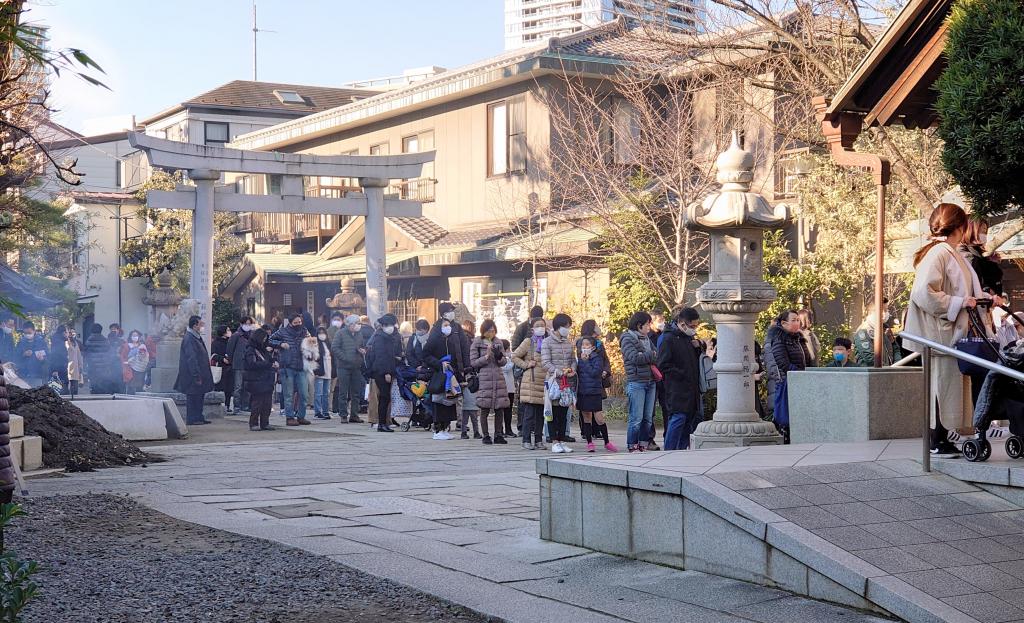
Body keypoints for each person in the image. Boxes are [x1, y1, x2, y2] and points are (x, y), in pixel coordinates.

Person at [904, 203, 989, 456]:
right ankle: (936, 438)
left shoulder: (946, 251)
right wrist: (957, 303)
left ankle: (942, 437)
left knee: (948, 384)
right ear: (961, 227)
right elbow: (923, 292)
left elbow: (962, 291)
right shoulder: (941, 253)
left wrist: (982, 298)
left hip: (949, 332)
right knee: (942, 385)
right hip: (940, 334)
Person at [657, 308, 703, 451]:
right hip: (677, 388)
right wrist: (681, 374)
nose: (694, 329)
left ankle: (682, 451)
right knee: (678, 418)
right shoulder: (668, 338)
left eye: (696, 326)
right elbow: (663, 364)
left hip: (691, 387)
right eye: (692, 326)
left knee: (688, 421)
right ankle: (669, 451)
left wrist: (698, 347)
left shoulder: (688, 338)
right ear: (682, 323)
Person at [768, 309, 813, 443]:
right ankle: (786, 441)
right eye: (793, 320)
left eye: (798, 320)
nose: (797, 323)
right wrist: (798, 373)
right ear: (784, 323)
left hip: (800, 380)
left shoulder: (799, 338)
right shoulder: (779, 338)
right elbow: (782, 363)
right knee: (785, 415)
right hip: (787, 381)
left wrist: (807, 373)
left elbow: (808, 359)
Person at [620, 311, 657, 453]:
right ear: (639, 325)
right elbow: (634, 358)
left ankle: (643, 443)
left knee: (648, 418)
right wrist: (649, 355)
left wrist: (647, 355)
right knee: (636, 418)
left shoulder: (647, 339)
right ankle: (632, 444)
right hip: (636, 382)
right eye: (647, 324)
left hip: (650, 381)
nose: (649, 327)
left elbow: (657, 354)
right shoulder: (627, 338)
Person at [424, 317, 466, 440]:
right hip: (438, 374)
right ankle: (437, 429)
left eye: (449, 325)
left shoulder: (451, 340)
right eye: (445, 325)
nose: (448, 327)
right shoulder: (434, 340)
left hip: (450, 375)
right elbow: (425, 355)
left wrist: (459, 375)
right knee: (439, 401)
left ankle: (445, 427)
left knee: (449, 401)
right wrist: (438, 363)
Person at [471, 319, 510, 445]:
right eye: (489, 331)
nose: (491, 333)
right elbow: (473, 362)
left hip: (498, 377)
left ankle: (498, 434)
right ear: (484, 331)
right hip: (485, 377)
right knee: (485, 407)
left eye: (493, 330)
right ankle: (486, 435)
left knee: (500, 407)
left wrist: (499, 356)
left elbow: (504, 362)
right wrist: (486, 357)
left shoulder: (498, 342)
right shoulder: (477, 343)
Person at [512, 317, 549, 450]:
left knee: (541, 414)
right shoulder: (528, 342)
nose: (541, 328)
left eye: (542, 325)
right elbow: (514, 356)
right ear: (532, 329)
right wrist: (526, 365)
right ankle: (526, 439)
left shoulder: (548, 342)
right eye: (537, 325)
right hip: (531, 381)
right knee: (529, 413)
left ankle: (538, 440)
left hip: (543, 381)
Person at [541, 313, 576, 453]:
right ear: (559, 326)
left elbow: (573, 359)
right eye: (566, 327)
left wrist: (572, 369)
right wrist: (558, 371)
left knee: (564, 411)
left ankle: (562, 440)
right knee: (552, 411)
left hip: (566, 382)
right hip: (553, 381)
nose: (568, 329)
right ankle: (554, 440)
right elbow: (545, 363)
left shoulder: (568, 342)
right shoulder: (547, 342)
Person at [270, 313, 312, 426]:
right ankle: (289, 417)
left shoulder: (304, 331)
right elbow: (269, 340)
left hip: (301, 366)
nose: (298, 324)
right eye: (296, 323)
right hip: (287, 366)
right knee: (288, 394)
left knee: (304, 393)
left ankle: (301, 416)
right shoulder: (283, 331)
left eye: (300, 322)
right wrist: (280, 344)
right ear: (290, 323)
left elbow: (311, 342)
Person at [576, 336, 615, 452]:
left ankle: (607, 442)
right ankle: (589, 442)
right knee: (586, 417)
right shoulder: (578, 359)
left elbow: (595, 372)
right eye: (583, 345)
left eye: (587, 345)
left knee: (599, 418)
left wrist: (586, 361)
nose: (584, 347)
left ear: (592, 347)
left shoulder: (597, 358)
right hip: (583, 392)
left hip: (594, 392)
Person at [365, 313, 402, 433]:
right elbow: (381, 357)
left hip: (387, 370)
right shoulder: (380, 338)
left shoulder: (387, 337)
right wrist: (386, 372)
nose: (391, 327)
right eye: (388, 325)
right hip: (381, 371)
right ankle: (381, 423)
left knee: (385, 397)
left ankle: (384, 422)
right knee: (384, 396)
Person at [174, 315, 214, 426]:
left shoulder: (196, 337)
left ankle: (199, 416)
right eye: (201, 324)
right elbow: (191, 358)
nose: (202, 326)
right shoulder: (189, 338)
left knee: (199, 395)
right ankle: (192, 418)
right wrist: (196, 374)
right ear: (195, 325)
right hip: (192, 374)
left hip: (200, 372)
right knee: (192, 397)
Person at [331, 314, 366, 423]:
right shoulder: (340, 333)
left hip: (356, 366)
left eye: (359, 323)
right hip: (343, 367)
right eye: (357, 323)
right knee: (343, 391)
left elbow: (361, 345)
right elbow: (334, 348)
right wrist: (344, 358)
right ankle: (343, 415)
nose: (358, 326)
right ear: (350, 325)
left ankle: (354, 415)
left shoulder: (359, 334)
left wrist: (362, 351)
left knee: (356, 392)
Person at [243, 328, 278, 431]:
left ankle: (265, 422)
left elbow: (269, 359)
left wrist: (274, 361)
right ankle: (253, 423)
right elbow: (251, 364)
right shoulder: (250, 349)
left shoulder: (263, 349)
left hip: (266, 379)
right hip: (256, 379)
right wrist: (268, 364)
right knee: (257, 402)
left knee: (267, 403)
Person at [853, 298, 899, 367]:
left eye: (886, 310)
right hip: (871, 374)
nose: (884, 314)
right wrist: (887, 369)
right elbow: (869, 357)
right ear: (870, 312)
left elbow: (895, 348)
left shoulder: (885, 328)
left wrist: (897, 365)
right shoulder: (863, 330)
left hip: (889, 372)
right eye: (880, 310)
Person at [225, 317, 254, 414]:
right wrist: (231, 360)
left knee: (247, 386)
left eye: (249, 324)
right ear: (241, 324)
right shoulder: (236, 335)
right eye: (246, 323)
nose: (248, 325)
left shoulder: (252, 335)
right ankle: (237, 406)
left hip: (249, 364)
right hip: (238, 364)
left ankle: (245, 406)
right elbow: (230, 349)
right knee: (238, 386)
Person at [311, 326, 334, 419]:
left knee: (326, 393)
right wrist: (315, 371)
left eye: (323, 333)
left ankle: (325, 411)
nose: (322, 335)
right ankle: (317, 411)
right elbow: (313, 359)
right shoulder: (315, 345)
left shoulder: (328, 344)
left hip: (328, 371)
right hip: (320, 372)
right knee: (318, 392)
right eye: (320, 333)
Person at [17, 322, 47, 387]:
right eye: (25, 333)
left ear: (34, 331)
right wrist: (23, 354)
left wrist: (42, 359)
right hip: (23, 375)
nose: (27, 334)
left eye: (29, 333)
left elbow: (48, 357)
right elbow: (15, 357)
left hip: (37, 375)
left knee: (37, 395)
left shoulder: (41, 342)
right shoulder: (21, 343)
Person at [83, 323, 111, 394]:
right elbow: (109, 353)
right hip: (103, 367)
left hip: (93, 367)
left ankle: (94, 395)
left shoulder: (89, 341)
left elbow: (86, 354)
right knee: (103, 384)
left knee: (94, 384)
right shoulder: (105, 341)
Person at [209, 325, 232, 404]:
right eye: (227, 330)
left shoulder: (230, 341)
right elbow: (213, 355)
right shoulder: (216, 343)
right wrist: (222, 359)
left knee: (229, 387)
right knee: (221, 386)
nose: (229, 332)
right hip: (220, 367)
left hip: (230, 367)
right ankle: (220, 403)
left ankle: (227, 405)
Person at [500, 339, 517, 438]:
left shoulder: (509, 358)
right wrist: (512, 360)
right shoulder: (500, 358)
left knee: (508, 409)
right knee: (501, 410)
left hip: (510, 387)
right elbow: (505, 368)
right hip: (502, 386)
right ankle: (500, 430)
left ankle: (508, 429)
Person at [65, 328, 84, 398]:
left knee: (75, 388)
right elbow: (68, 349)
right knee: (67, 388)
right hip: (67, 367)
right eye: (70, 333)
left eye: (73, 333)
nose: (72, 334)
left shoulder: (76, 343)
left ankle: (75, 400)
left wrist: (81, 366)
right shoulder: (65, 342)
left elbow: (79, 355)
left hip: (75, 368)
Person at [49, 325, 69, 391]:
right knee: (61, 390)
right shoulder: (59, 342)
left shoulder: (58, 340)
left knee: (57, 390)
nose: (67, 334)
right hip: (60, 370)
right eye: (67, 332)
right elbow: (55, 356)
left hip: (59, 369)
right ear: (63, 333)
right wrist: (55, 370)